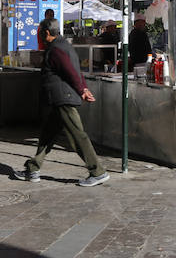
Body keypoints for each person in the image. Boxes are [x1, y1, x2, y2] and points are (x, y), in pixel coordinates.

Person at [13, 18, 109, 187]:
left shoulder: (56, 49)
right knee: (47, 135)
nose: (39, 35)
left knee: (78, 136)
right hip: (59, 99)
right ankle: (33, 169)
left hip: (63, 98)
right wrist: (84, 88)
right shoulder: (64, 45)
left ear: (47, 33)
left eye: (40, 32)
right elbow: (75, 70)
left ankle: (97, 171)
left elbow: (71, 71)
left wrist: (82, 90)